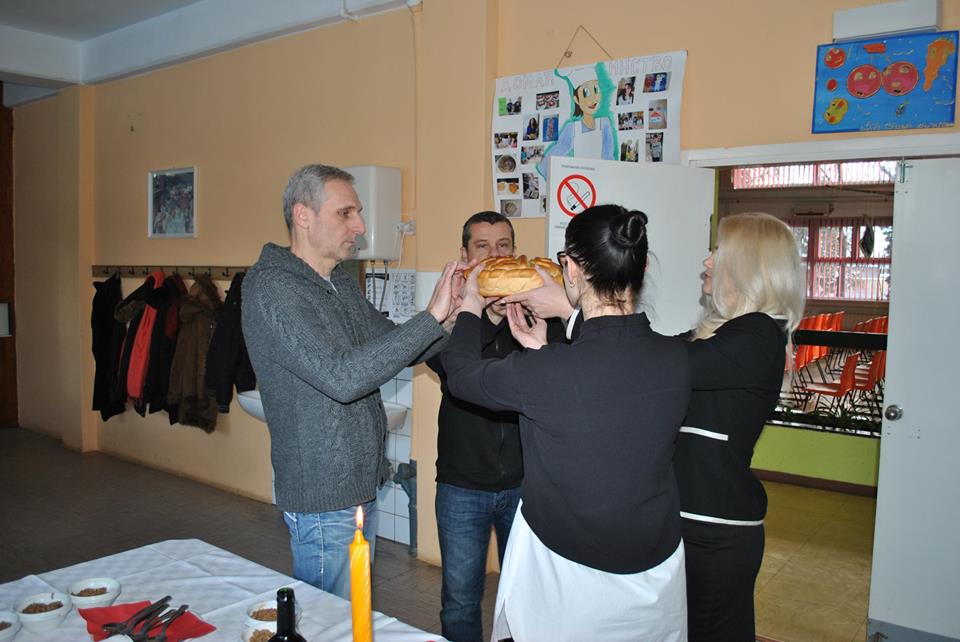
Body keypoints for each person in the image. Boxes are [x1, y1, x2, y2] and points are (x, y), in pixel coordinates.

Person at [442, 204, 691, 641]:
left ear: (570, 269)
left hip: (569, 578)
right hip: (655, 572)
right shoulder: (677, 357)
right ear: (642, 267)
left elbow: (461, 375)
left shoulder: (548, 371)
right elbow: (605, 386)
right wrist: (544, 347)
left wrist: (471, 304)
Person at [242, 164, 460, 600]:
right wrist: (431, 316)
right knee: (331, 620)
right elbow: (342, 378)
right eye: (346, 213)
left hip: (358, 487)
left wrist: (453, 315)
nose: (360, 226)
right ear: (303, 215)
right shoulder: (272, 289)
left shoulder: (337, 282)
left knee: (352, 613)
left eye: (358, 213)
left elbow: (397, 345)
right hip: (324, 497)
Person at [426, 212, 564, 642]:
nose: (493, 254)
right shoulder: (450, 314)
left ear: (515, 253)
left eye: (503, 245)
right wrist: (485, 318)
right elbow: (450, 367)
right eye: (482, 246)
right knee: (460, 600)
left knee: (522, 597)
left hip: (525, 484)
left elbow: (560, 370)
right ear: (465, 254)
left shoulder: (539, 311)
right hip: (462, 485)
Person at [674, 212, 805, 641]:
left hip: (715, 532)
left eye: (719, 251)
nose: (707, 261)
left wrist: (587, 312)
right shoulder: (724, 333)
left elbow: (662, 365)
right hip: (693, 522)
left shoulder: (759, 334)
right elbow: (650, 351)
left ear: (748, 265)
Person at [537, 65, 616, 178]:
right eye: (586, 93)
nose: (593, 98)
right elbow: (556, 153)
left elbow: (608, 157)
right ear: (576, 99)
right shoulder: (571, 128)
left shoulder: (605, 124)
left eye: (596, 89)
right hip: (580, 180)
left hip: (600, 179)